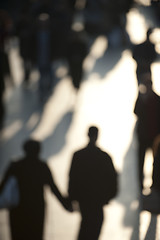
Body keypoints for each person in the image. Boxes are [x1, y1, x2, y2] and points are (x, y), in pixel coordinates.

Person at [0, 139, 72, 240]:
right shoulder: (42, 166)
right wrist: (67, 205)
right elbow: (53, 188)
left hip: (18, 210)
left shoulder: (15, 166)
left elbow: (3, 186)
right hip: (37, 211)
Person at [68, 126, 118, 240]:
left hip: (84, 199)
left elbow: (72, 177)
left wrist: (71, 198)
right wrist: (109, 196)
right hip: (98, 199)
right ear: (97, 136)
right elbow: (112, 178)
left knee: (85, 225)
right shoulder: (104, 157)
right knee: (95, 227)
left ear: (87, 135)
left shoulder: (78, 155)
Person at [134, 73, 160, 191]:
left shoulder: (157, 99)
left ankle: (154, 183)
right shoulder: (141, 99)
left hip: (154, 137)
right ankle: (140, 183)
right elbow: (135, 112)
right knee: (141, 161)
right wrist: (141, 100)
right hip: (143, 136)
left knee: (156, 162)